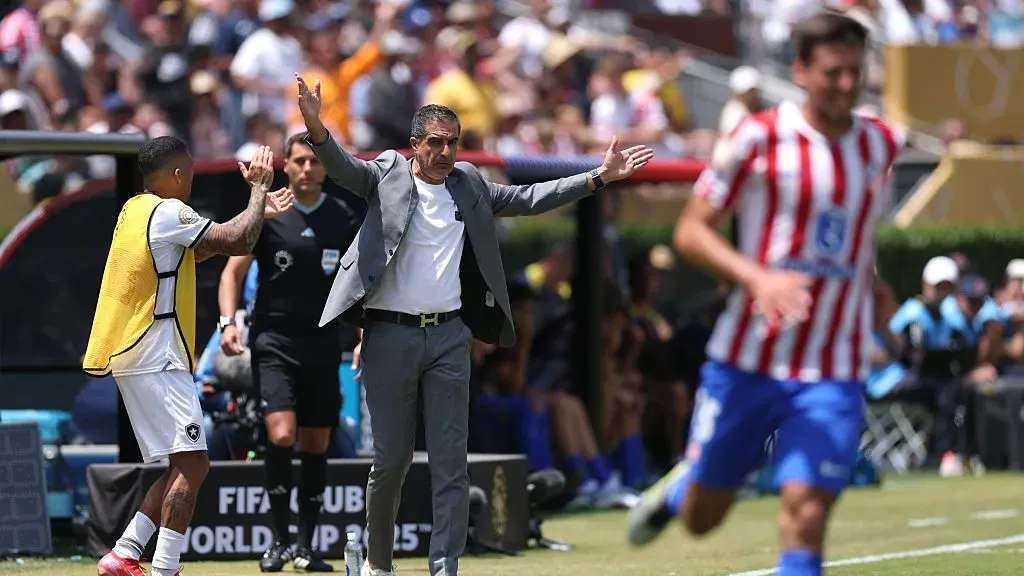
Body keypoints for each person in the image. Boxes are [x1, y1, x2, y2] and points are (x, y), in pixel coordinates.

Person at [294, 72, 654, 576]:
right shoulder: (387, 173)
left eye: (452, 143)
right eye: (435, 143)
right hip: (388, 335)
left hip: (449, 336)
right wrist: (316, 127)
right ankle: (378, 565)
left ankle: (445, 568)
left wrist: (596, 177)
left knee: (451, 463)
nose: (444, 152)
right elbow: (342, 167)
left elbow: (530, 199)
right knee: (391, 462)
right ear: (414, 144)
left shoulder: (470, 184)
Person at [626, 12, 905, 576]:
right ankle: (684, 489)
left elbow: (852, 242)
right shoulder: (757, 136)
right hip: (747, 360)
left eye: (855, 73)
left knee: (806, 511)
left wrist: (875, 293)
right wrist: (757, 278)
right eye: (833, 73)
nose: (846, 85)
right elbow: (691, 231)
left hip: (834, 367)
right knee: (704, 518)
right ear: (800, 71)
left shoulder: (881, 144)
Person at [85, 137, 292, 576]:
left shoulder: (135, 210)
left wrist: (259, 212)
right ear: (178, 174)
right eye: (191, 174)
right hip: (157, 354)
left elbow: (201, 249)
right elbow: (238, 240)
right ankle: (165, 568)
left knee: (185, 463)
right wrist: (258, 190)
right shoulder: (169, 212)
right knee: (194, 463)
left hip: (139, 354)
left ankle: (124, 553)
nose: (192, 182)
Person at [218, 131, 362, 572]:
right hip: (273, 340)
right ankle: (278, 541)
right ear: (286, 165)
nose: (306, 168)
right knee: (281, 435)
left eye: (314, 161)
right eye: (298, 160)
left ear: (325, 167)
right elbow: (231, 273)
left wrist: (363, 334)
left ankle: (305, 546)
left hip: (322, 343)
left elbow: (360, 283)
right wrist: (228, 323)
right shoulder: (267, 211)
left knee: (317, 443)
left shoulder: (343, 217)